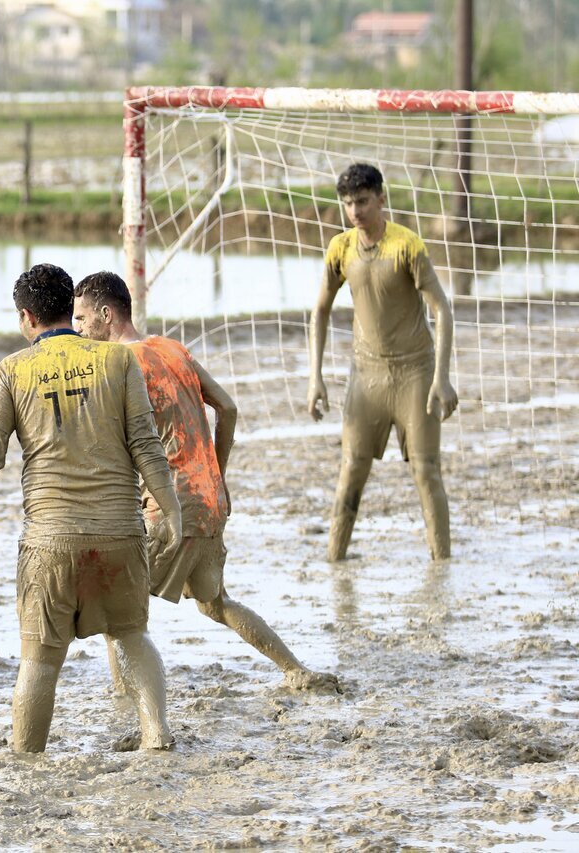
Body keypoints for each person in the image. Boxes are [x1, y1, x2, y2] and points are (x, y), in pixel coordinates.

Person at [0, 263, 184, 753]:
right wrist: (172, 511)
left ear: (27, 317)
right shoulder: (117, 362)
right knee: (133, 636)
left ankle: (26, 756)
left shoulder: (11, 371)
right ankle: (157, 736)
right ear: (68, 309)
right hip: (119, 533)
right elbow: (147, 445)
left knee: (40, 660)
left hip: (49, 540)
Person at [73, 271, 339, 692]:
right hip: (210, 499)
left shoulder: (119, 363)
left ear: (107, 315)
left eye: (83, 319)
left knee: (115, 611)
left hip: (169, 505)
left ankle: (128, 701)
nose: (80, 330)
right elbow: (228, 409)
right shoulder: (174, 349)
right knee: (215, 604)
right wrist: (218, 473)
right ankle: (295, 670)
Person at [308, 163, 458, 562]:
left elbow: (442, 310)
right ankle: (333, 563)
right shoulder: (340, 248)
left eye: (362, 201)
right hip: (367, 377)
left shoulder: (407, 246)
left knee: (426, 471)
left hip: (415, 373)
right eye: (348, 203)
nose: (355, 211)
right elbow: (320, 310)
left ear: (380, 199)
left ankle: (441, 564)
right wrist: (315, 377)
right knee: (352, 468)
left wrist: (441, 378)